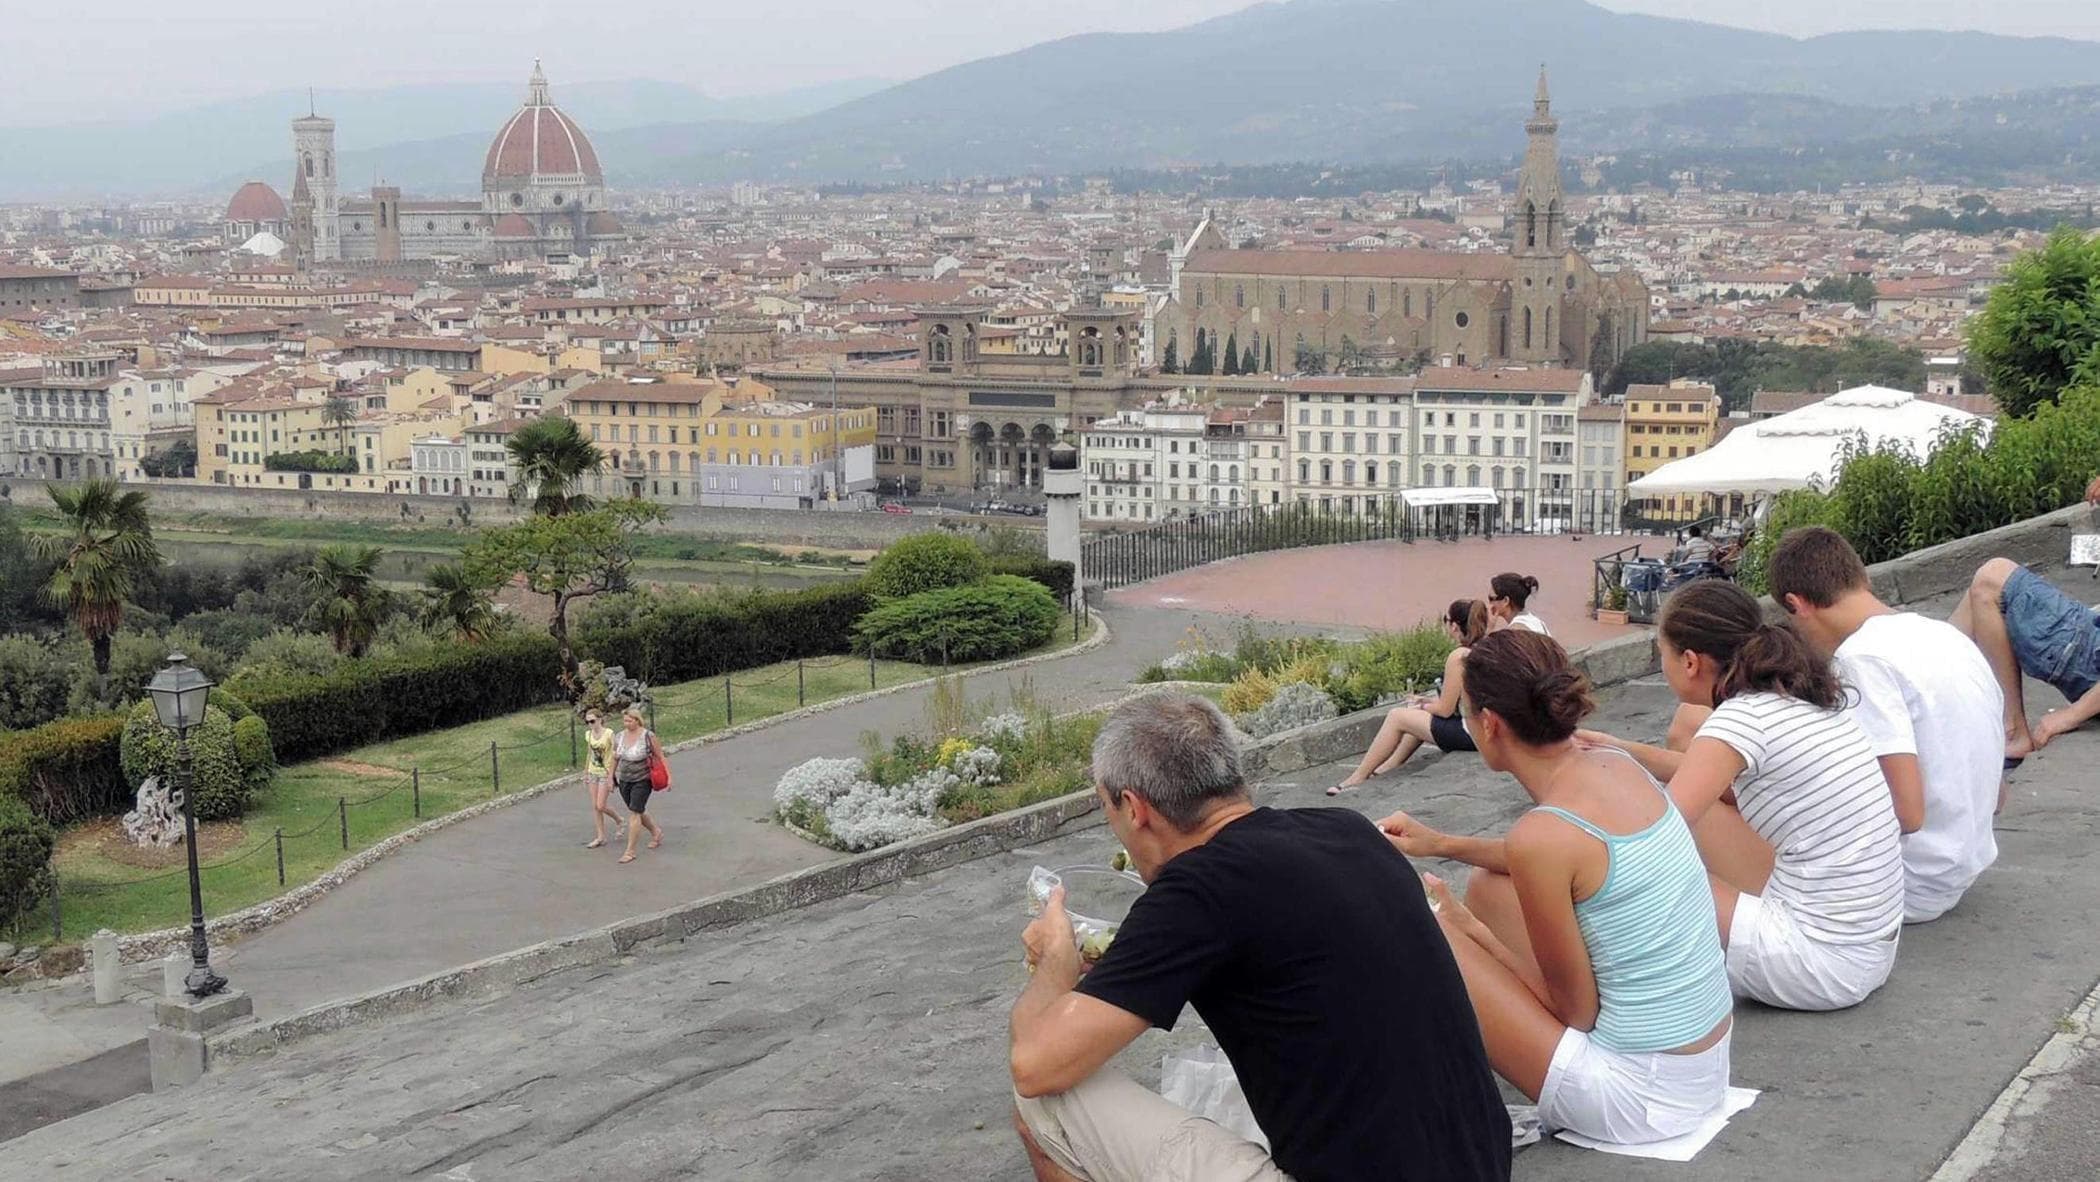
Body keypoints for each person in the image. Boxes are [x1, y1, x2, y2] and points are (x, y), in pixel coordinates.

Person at [1010, 695, 1511, 1182]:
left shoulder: (1196, 889)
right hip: (1480, 1161)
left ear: (1135, 808)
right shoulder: (1348, 830)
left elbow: (1035, 1066)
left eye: (1107, 810)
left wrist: (1056, 963)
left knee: (1046, 1106)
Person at [1377, 630, 1735, 1146]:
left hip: (1638, 1098)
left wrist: (1473, 932)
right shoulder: (1617, 766)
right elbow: (1567, 860)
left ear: (1490, 724)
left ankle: (1420, 1105)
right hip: (1699, 1068)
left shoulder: (1542, 837)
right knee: (1489, 884)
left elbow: (1576, 1012)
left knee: (1417, 928)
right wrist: (1441, 843)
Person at [1575, 581, 1906, 1011]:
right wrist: (1619, 748)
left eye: (1664, 655)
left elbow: (1652, 842)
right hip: (1868, 948)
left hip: (1820, 965)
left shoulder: (1738, 720)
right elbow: (1706, 778)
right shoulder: (1791, 697)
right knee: (1680, 824)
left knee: (1632, 871)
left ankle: (1599, 998)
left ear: (1690, 661)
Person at [1769, 526, 2002, 923]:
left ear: (1797, 604)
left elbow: (1905, 813)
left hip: (1905, 883)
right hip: (1960, 864)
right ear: (1862, 578)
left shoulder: (1863, 660)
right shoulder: (1947, 637)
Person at [1328, 599, 1489, 794]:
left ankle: (1356, 777)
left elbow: (1445, 711)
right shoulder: (1486, 648)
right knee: (1415, 719)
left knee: (1398, 716)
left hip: (1470, 734)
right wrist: (1428, 703)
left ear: (1454, 626)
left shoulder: (1459, 656)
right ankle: (1387, 766)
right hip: (1485, 730)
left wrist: (1421, 707)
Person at [1950, 558, 2100, 760]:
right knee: (1979, 595)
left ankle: (2013, 732)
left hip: (2089, 655)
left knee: (1990, 580)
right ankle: (1926, 692)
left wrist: (2072, 715)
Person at [611, 708, 666, 865]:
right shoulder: (619, 736)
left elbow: (660, 756)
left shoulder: (648, 736)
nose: (626, 723)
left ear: (637, 720)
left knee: (634, 812)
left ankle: (630, 851)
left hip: (643, 779)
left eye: (629, 720)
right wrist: (610, 776)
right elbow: (615, 757)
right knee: (637, 809)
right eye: (624, 721)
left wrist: (668, 778)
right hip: (625, 779)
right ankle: (656, 832)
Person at [581, 711, 625, 849]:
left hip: (605, 772)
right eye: (587, 722)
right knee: (595, 806)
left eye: (592, 721)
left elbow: (615, 751)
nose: (590, 724)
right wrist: (586, 772)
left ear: (600, 719)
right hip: (593, 771)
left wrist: (613, 772)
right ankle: (600, 836)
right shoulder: (588, 735)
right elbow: (590, 753)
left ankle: (619, 819)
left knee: (601, 805)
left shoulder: (608, 733)